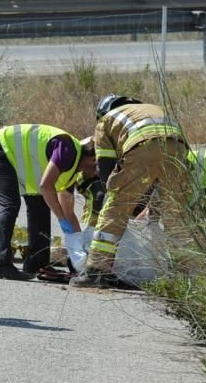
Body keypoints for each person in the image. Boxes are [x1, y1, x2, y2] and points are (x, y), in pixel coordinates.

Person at [70, 95, 189, 289]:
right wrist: (141, 199)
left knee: (115, 207)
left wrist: (124, 201)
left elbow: (107, 171)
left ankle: (97, 272)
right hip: (178, 148)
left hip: (142, 146)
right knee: (177, 215)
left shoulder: (106, 121)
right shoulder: (153, 110)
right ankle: (184, 277)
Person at [0, 125, 98, 281]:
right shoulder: (68, 148)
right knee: (10, 204)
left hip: (17, 159)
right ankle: (0, 265)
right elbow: (46, 185)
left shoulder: (72, 172)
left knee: (40, 205)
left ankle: (36, 264)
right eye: (97, 166)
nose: (96, 172)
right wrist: (60, 218)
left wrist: (78, 245)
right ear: (93, 158)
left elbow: (69, 213)